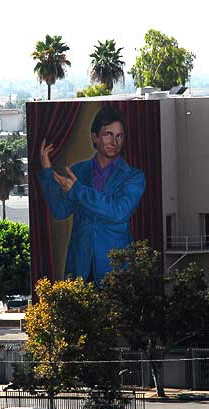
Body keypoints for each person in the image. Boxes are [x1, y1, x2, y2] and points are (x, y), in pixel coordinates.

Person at [38, 105, 146, 285]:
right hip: (79, 267)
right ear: (95, 137)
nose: (115, 142)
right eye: (108, 134)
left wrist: (77, 191)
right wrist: (47, 171)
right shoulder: (78, 171)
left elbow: (118, 211)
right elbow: (60, 211)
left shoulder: (134, 177)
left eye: (119, 136)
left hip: (115, 269)